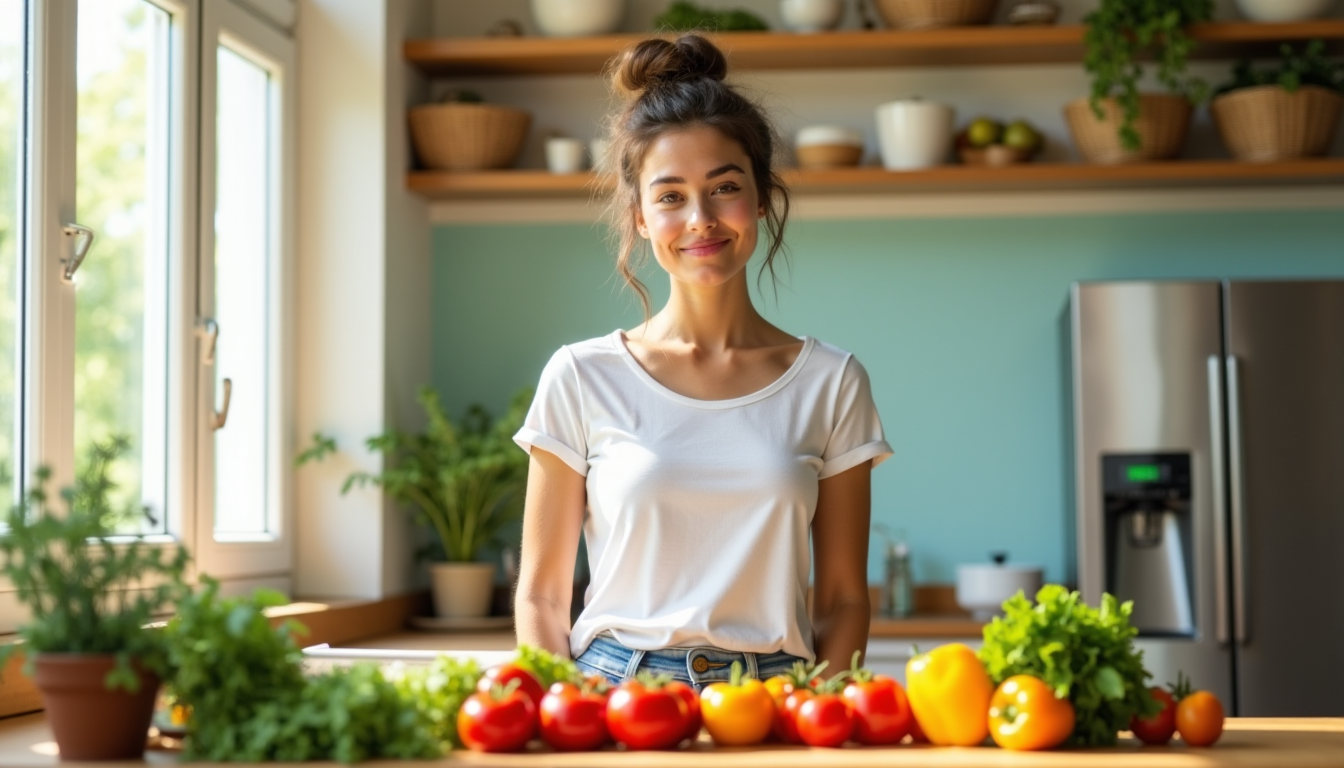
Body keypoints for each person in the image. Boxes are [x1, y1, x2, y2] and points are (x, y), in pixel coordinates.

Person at [512, 34, 891, 690]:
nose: (701, 219)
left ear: (762, 195)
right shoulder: (580, 376)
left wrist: (818, 714)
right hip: (612, 691)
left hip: (778, 694)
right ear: (637, 216)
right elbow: (543, 597)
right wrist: (561, 708)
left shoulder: (832, 383)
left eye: (724, 187)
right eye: (670, 196)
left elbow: (842, 600)